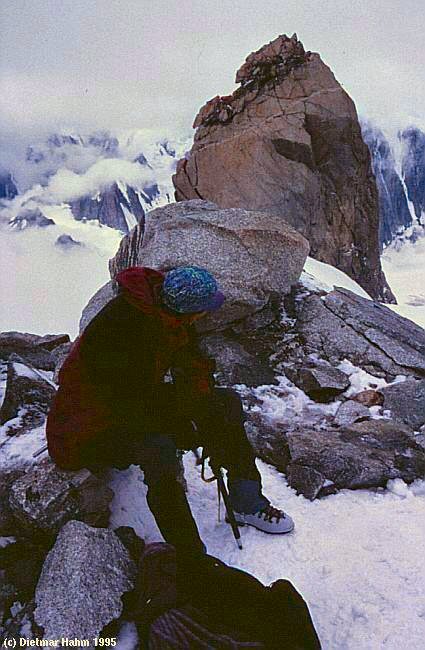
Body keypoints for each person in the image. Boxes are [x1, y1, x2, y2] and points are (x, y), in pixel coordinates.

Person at [46, 265, 294, 555]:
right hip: (87, 429)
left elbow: (189, 361)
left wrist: (202, 401)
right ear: (186, 311)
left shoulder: (164, 311)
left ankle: (246, 502)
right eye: (202, 310)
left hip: (132, 400)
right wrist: (183, 424)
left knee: (224, 405)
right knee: (158, 448)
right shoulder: (120, 331)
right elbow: (126, 406)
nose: (206, 315)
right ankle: (191, 557)